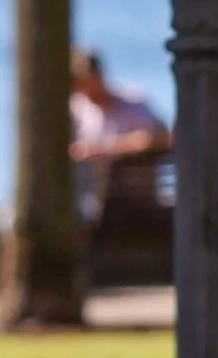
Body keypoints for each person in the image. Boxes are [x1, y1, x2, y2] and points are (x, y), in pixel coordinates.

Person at [69, 47, 170, 228]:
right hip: (86, 195)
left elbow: (162, 137)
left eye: (88, 77)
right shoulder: (76, 109)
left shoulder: (132, 102)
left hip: (130, 196)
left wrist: (106, 151)